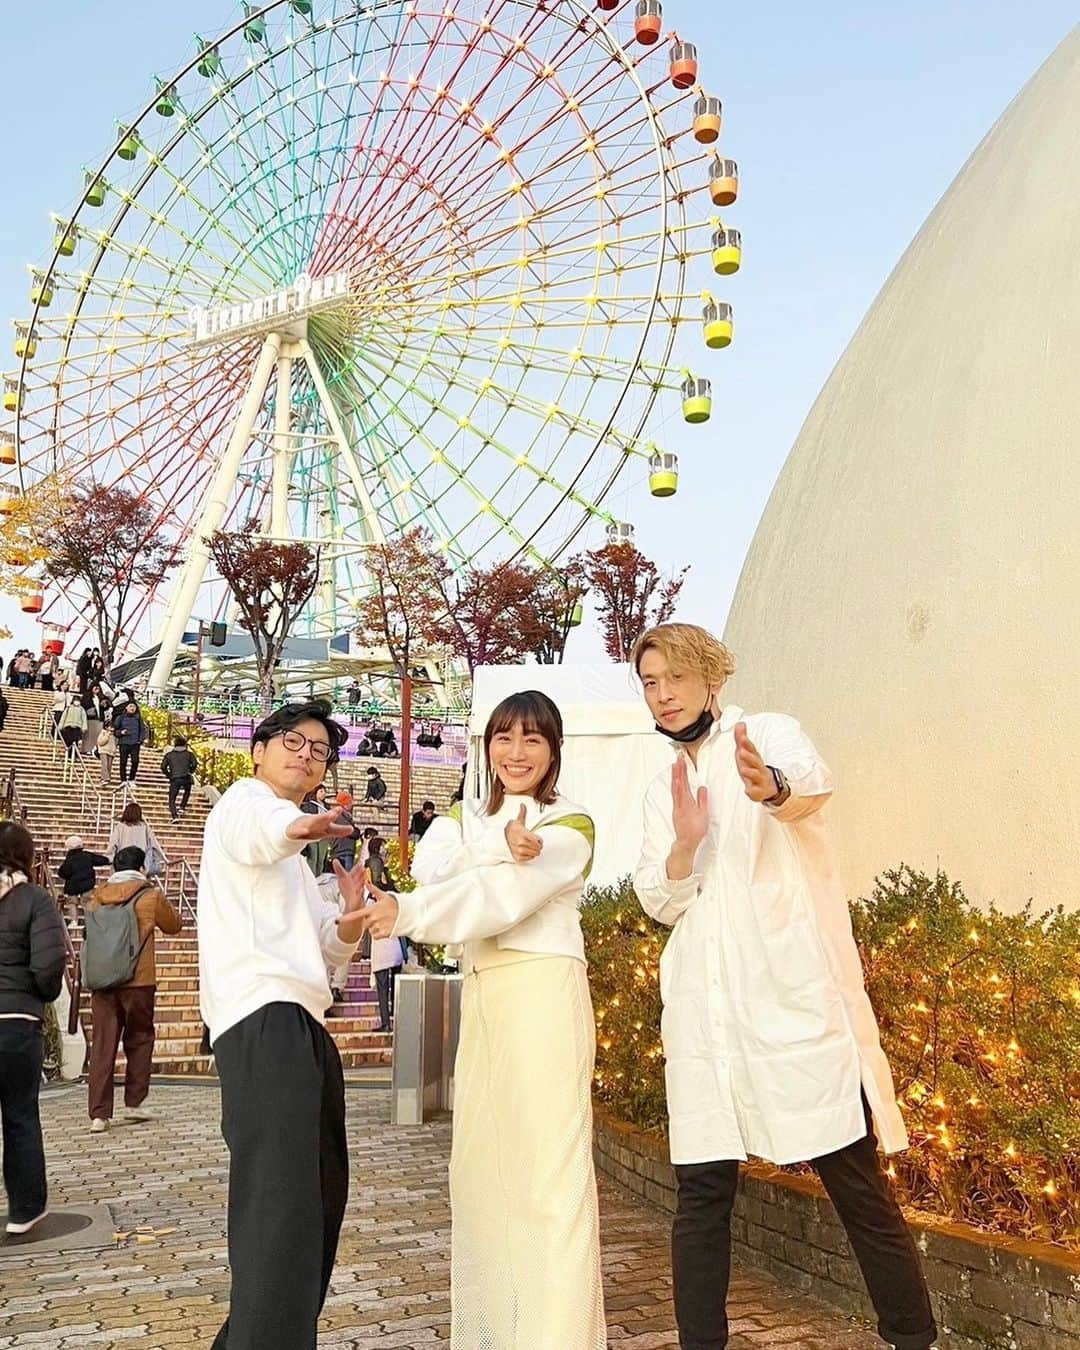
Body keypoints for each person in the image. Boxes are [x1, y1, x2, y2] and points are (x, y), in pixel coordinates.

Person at [629, 623, 937, 1350]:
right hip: (708, 1023)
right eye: (648, 682)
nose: (663, 694)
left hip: (791, 1009)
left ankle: (914, 1339)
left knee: (857, 1187)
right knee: (701, 1198)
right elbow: (657, 900)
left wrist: (773, 788)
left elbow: (813, 787)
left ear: (711, 677)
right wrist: (681, 847)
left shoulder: (765, 733)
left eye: (675, 677)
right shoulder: (659, 787)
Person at [363, 690, 605, 1348]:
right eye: (504, 737)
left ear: (555, 749)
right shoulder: (473, 822)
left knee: (548, 1183)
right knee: (481, 1178)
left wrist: (408, 913)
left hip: (542, 998)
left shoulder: (571, 823)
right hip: (486, 996)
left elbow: (503, 896)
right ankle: (495, 1332)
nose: (516, 752)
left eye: (533, 739)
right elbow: (456, 884)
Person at [197, 699, 365, 1350]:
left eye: (319, 751)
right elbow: (263, 829)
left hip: (300, 1025)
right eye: (294, 742)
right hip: (262, 1021)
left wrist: (348, 917)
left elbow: (325, 949)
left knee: (314, 1205)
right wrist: (303, 827)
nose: (306, 755)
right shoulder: (243, 802)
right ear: (259, 750)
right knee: (283, 1211)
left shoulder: (295, 861)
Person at [85, 844, 181, 1133]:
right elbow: (174, 925)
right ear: (141, 868)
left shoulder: (97, 897)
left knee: (103, 1044)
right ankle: (134, 1103)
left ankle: (99, 1115)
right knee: (139, 1038)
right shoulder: (149, 895)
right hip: (139, 980)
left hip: (103, 980)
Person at [0, 820, 67, 1235]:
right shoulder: (36, 900)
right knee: (20, 1115)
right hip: (16, 1022)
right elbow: (48, 965)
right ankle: (24, 1212)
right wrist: (39, 995)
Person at [363, 837, 403, 1032]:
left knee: (382, 986)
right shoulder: (377, 864)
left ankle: (386, 1022)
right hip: (394, 945)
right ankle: (397, 1020)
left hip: (382, 947)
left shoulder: (373, 900)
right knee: (394, 986)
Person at [108, 802, 166, 882]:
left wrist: (110, 861)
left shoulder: (119, 827)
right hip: (140, 867)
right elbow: (155, 847)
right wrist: (155, 863)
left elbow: (113, 847)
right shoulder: (145, 828)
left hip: (122, 866)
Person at [57, 835, 111, 914]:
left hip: (72, 885)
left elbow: (63, 872)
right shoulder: (87, 855)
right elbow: (98, 859)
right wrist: (108, 860)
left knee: (72, 902)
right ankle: (88, 919)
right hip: (87, 884)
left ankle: (74, 920)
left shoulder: (69, 859)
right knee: (86, 902)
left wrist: (65, 875)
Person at [161, 736, 199, 821]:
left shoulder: (169, 755)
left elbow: (163, 767)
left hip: (175, 778)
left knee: (172, 798)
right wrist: (191, 771)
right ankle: (182, 807)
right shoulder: (189, 754)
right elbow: (195, 763)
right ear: (185, 745)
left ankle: (174, 816)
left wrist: (168, 775)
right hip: (186, 777)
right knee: (187, 791)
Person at [113, 698, 150, 782]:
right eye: (130, 706)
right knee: (123, 762)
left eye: (134, 706)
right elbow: (115, 730)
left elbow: (142, 729)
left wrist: (140, 740)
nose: (132, 708)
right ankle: (123, 780)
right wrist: (121, 732)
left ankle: (131, 779)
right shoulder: (120, 718)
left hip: (135, 743)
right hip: (124, 743)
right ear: (126, 707)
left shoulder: (138, 718)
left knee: (135, 761)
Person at [81, 685, 107, 758]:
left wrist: (104, 705)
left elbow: (107, 705)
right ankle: (87, 749)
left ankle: (96, 750)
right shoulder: (87, 696)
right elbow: (84, 705)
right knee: (89, 735)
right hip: (90, 718)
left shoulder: (101, 697)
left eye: (98, 688)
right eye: (95, 688)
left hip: (99, 718)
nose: (97, 689)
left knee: (98, 735)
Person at [58, 695, 87, 759]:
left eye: (78, 700)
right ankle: (68, 754)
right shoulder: (68, 708)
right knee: (68, 741)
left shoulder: (81, 709)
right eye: (75, 700)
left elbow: (84, 719)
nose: (77, 702)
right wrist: (60, 726)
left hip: (77, 727)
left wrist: (84, 727)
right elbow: (63, 717)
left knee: (75, 742)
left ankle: (74, 755)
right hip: (68, 726)